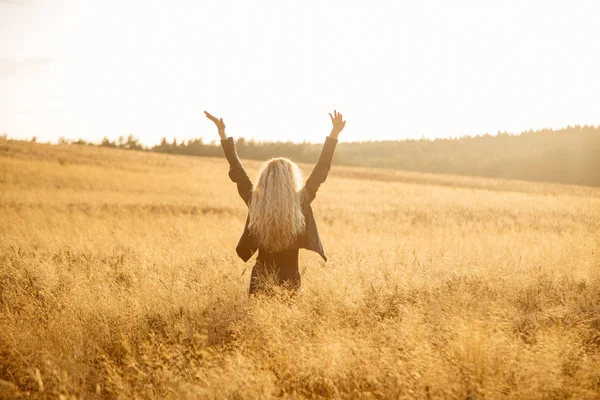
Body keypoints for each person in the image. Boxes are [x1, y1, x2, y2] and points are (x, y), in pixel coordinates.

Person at [204, 110, 346, 295]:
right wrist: (334, 133)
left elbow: (236, 169)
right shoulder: (300, 202)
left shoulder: (255, 202)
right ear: (290, 179)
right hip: (291, 277)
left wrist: (222, 133)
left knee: (255, 322)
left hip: (260, 276)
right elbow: (321, 170)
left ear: (265, 179)